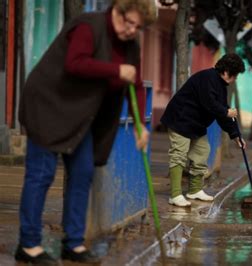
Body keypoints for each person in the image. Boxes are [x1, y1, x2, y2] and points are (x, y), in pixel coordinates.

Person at [15, 0, 156, 264]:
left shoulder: (130, 45)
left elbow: (134, 82)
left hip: (81, 116)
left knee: (82, 173)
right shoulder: (89, 27)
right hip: (49, 104)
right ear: (118, 11)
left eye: (138, 27)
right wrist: (116, 70)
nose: (131, 30)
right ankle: (28, 244)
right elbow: (75, 63)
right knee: (41, 174)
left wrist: (140, 127)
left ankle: (74, 243)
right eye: (129, 23)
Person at [161, 54, 246, 207]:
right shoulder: (207, 78)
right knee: (178, 154)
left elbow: (220, 112)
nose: (236, 79)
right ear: (226, 72)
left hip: (196, 124)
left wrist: (235, 135)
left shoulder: (220, 86)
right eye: (235, 75)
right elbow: (209, 104)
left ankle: (194, 190)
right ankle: (175, 195)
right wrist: (226, 112)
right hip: (180, 119)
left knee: (202, 152)